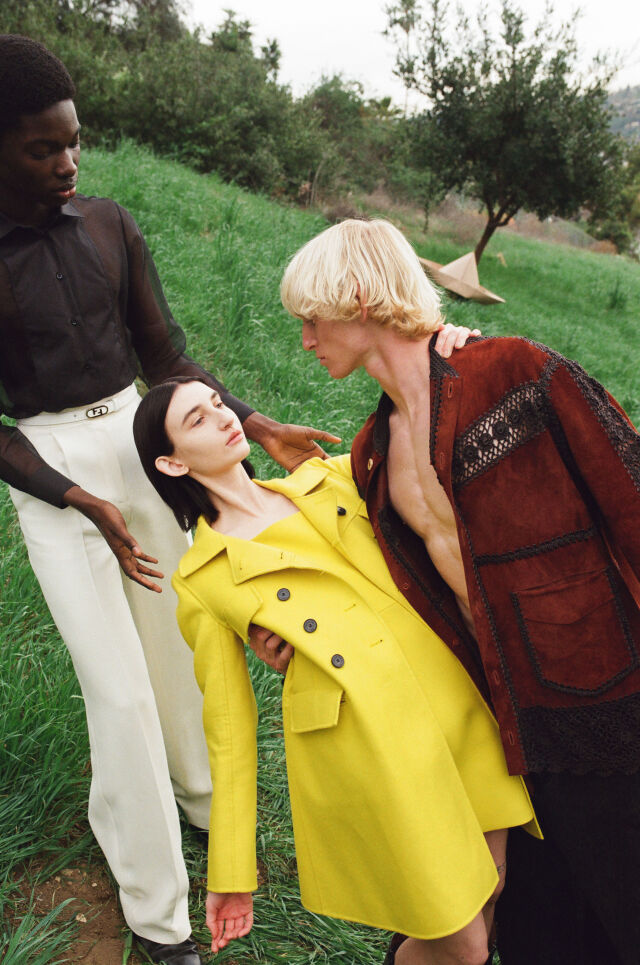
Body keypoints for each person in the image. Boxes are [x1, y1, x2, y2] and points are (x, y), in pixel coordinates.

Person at [0, 34, 343, 965]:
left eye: (74, 141)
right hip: (52, 471)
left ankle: (199, 801)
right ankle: (159, 914)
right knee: (117, 691)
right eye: (42, 148)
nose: (68, 162)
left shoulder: (109, 225)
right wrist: (77, 496)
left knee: (183, 647)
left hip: (143, 443)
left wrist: (255, 422)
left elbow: (165, 356)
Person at [276, 218, 640, 965]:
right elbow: (379, 583)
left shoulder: (514, 374)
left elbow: (631, 497)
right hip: (505, 722)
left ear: (358, 297)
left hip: (609, 702)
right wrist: (291, 635)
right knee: (542, 932)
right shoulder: (374, 453)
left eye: (312, 319)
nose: (306, 340)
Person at [132, 376, 541, 965]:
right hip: (371, 747)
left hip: (452, 698)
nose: (223, 417)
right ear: (172, 464)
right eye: (196, 419)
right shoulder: (203, 578)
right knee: (466, 945)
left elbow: (426, 447)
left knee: (491, 888)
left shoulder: (329, 479)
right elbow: (228, 728)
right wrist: (232, 870)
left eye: (218, 403)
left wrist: (446, 345)